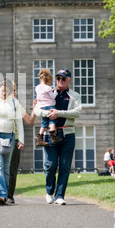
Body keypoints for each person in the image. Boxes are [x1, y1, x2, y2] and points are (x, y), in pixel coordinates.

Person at [34, 68, 82, 205]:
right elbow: (36, 110)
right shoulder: (48, 91)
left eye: (63, 78)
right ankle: (49, 191)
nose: (60, 81)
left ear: (69, 80)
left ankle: (60, 195)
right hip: (51, 134)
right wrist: (47, 114)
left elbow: (77, 112)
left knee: (65, 167)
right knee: (50, 165)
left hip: (68, 134)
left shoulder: (74, 95)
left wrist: (59, 113)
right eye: (58, 78)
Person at [34, 68, 60, 146]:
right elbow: (53, 96)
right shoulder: (48, 88)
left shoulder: (37, 87)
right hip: (50, 107)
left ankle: (39, 140)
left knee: (44, 123)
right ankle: (53, 138)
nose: (50, 84)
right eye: (50, 82)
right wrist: (55, 90)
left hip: (41, 107)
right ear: (48, 81)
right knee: (52, 121)